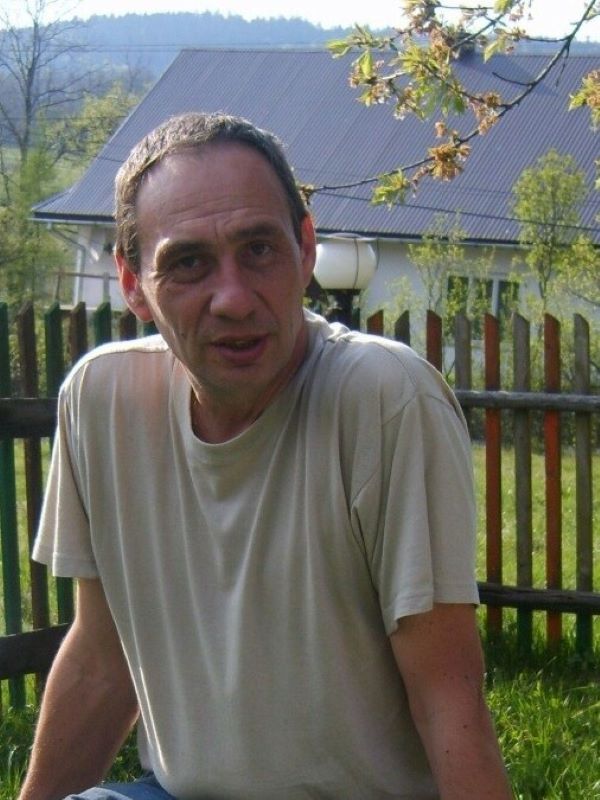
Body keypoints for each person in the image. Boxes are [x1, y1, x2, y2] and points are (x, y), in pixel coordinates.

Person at [19, 112, 512, 800]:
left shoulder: (383, 398)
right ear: (132, 283)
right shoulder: (101, 400)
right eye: (188, 263)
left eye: (258, 249)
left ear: (305, 250)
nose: (233, 299)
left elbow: (447, 694)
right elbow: (102, 660)